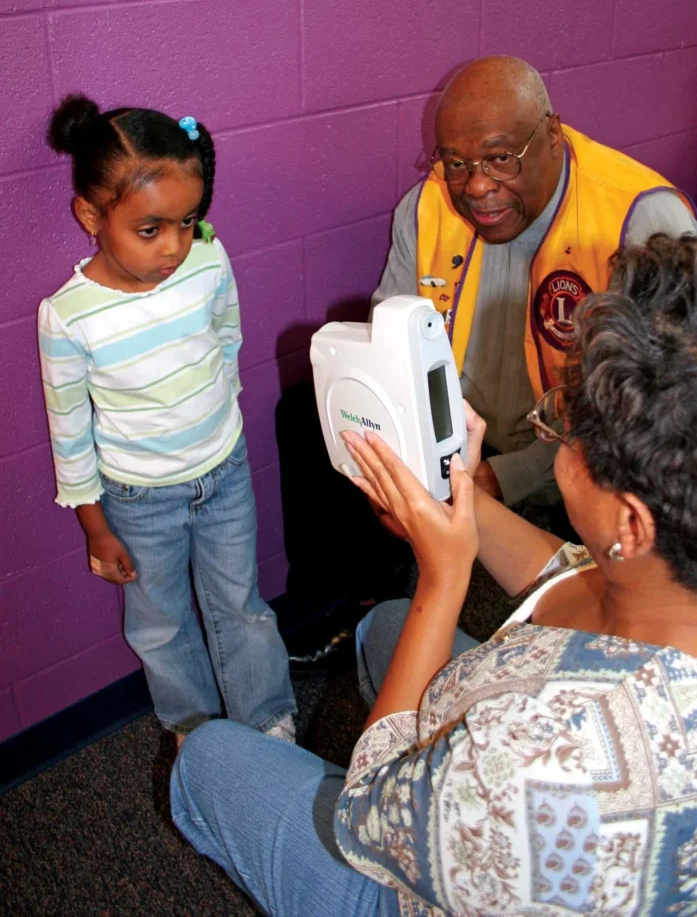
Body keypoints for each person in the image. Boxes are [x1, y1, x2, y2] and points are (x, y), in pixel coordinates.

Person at [171, 234, 697, 915]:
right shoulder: (661, 581)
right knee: (384, 628)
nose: (559, 436)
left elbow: (364, 810)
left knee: (207, 759)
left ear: (631, 526)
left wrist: (441, 583)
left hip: (425, 846)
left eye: (570, 432)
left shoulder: (555, 765)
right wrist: (460, 501)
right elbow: (571, 579)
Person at [39, 95, 296, 745]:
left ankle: (268, 723)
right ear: (91, 216)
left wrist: (220, 414)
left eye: (188, 221)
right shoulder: (69, 316)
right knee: (160, 624)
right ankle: (197, 734)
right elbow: (69, 431)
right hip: (138, 499)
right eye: (150, 229)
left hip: (224, 472)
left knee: (242, 608)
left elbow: (226, 336)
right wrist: (95, 527)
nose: (176, 246)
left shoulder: (208, 259)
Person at [374, 56, 697, 508]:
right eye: (456, 162)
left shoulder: (640, 221)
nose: (477, 187)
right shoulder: (425, 206)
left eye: (500, 158)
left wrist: (504, 477)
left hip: (595, 477)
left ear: (551, 135)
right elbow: (389, 356)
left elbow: (661, 413)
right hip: (459, 452)